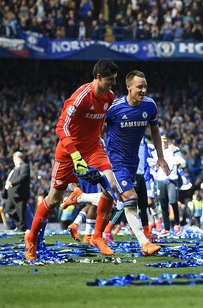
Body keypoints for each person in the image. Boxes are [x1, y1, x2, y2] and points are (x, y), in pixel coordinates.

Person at [25, 59, 119, 260]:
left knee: (111, 186)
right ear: (98, 77)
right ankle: (31, 239)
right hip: (69, 152)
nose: (113, 84)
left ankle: (98, 236)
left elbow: (100, 123)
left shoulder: (109, 96)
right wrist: (75, 155)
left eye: (115, 80)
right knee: (54, 200)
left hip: (93, 147)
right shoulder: (81, 97)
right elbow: (61, 127)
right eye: (110, 80)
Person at [104, 70, 170, 255]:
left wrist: (160, 156)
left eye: (145, 86)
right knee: (130, 198)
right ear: (129, 87)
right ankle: (144, 243)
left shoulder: (149, 106)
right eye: (139, 86)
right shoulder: (114, 108)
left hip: (133, 162)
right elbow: (97, 128)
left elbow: (154, 130)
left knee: (110, 198)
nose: (143, 90)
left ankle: (83, 206)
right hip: (115, 161)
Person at [156, 134, 185, 235]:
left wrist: (179, 162)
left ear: (167, 140)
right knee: (163, 204)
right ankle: (167, 228)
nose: (163, 141)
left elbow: (183, 162)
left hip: (172, 179)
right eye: (162, 139)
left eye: (165, 139)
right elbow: (150, 161)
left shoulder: (174, 149)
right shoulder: (156, 150)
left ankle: (177, 223)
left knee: (173, 201)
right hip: (160, 179)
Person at [4, 151, 31, 232]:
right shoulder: (15, 168)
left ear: (19, 158)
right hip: (12, 194)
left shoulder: (24, 166)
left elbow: (23, 177)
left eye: (14, 158)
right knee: (8, 209)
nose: (13, 160)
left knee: (20, 212)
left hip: (19, 194)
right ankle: (19, 224)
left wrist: (12, 182)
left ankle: (22, 227)